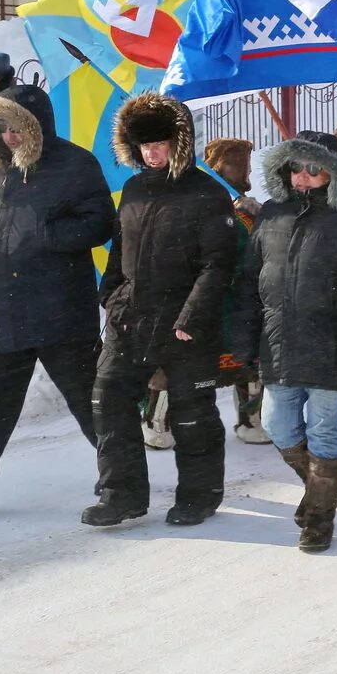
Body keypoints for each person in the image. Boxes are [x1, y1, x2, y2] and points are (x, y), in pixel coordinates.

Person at [0, 85, 114, 516]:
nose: (10, 136)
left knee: (91, 402)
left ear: (38, 126)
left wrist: (44, 236)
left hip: (60, 307)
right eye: (2, 127)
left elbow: (99, 222)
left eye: (18, 127)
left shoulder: (74, 164)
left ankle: (119, 482)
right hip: (2, 308)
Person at [82, 94, 238, 529]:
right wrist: (110, 295)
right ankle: (122, 495)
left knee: (192, 414)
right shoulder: (133, 189)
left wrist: (191, 318)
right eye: (144, 145)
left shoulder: (206, 193)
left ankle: (199, 496)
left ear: (179, 142)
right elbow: (119, 250)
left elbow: (217, 265)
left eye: (160, 143)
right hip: (130, 318)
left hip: (185, 324)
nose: (152, 153)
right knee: (108, 401)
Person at [230, 134, 337, 552]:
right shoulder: (271, 214)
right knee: (278, 425)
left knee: (324, 433)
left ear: (332, 172)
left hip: (334, 345)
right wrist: (243, 339)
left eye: (313, 169)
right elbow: (250, 281)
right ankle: (319, 491)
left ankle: (318, 520)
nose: (303, 177)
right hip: (279, 342)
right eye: (296, 168)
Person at [204, 136, 267, 443]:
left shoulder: (250, 210)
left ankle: (252, 420)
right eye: (236, 165)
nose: (244, 172)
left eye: (245, 165)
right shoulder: (204, 204)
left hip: (246, 296)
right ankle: (161, 423)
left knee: (251, 360)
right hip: (214, 296)